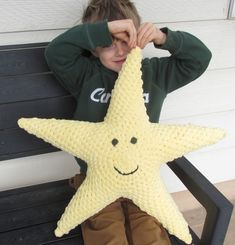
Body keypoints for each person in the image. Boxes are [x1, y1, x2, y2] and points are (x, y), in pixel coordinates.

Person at [45, 0, 211, 244]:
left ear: (138, 36)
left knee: (150, 231)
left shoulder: (154, 74)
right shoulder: (85, 75)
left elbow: (199, 59)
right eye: (108, 44)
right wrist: (103, 30)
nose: (120, 51)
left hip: (143, 178)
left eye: (125, 40)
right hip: (97, 179)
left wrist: (162, 37)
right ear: (93, 49)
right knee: (107, 233)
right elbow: (55, 53)